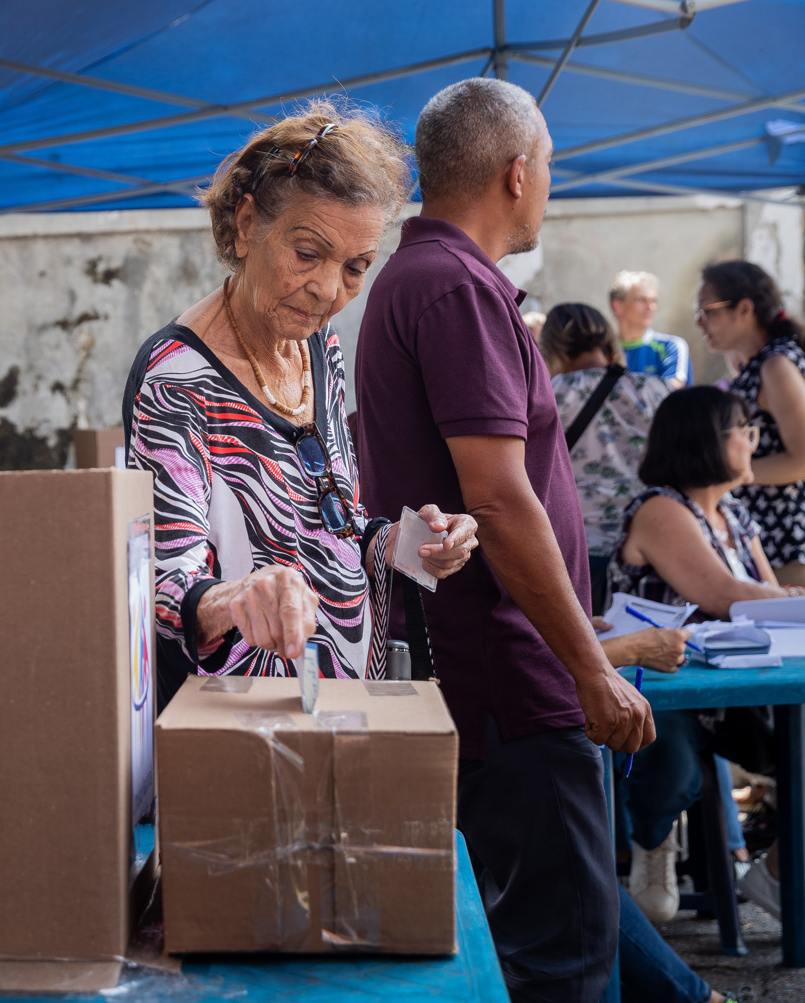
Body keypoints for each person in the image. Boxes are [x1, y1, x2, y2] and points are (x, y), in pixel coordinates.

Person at [354, 76, 652, 1003]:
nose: (551, 185)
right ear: (518, 172)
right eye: (551, 166)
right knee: (561, 963)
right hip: (510, 682)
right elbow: (500, 496)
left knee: (536, 946)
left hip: (487, 671)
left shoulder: (429, 280)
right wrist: (589, 667)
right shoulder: (455, 287)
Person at [123, 101, 479, 703]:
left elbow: (332, 520)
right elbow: (166, 593)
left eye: (355, 267)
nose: (326, 289)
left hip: (340, 702)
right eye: (307, 254)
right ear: (245, 224)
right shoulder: (176, 379)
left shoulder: (319, 348)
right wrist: (240, 597)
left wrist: (407, 543)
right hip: (242, 722)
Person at [609, 387, 805, 946]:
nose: (754, 439)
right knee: (674, 760)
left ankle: (780, 872)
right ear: (705, 438)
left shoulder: (736, 514)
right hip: (667, 690)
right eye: (744, 428)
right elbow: (727, 595)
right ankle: (652, 841)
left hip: (738, 697)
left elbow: (768, 600)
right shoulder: (660, 507)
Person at [694, 260, 805, 586]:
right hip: (776, 542)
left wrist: (725, 475)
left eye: (708, 311)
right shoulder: (759, 363)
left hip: (793, 542)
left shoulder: (776, 366)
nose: (700, 322)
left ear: (744, 309)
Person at [541, 303, 671, 612]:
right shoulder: (656, 390)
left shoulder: (547, 394)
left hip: (574, 552)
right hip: (652, 550)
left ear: (551, 347)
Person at [609, 270, 691, 389]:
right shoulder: (603, 351)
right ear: (617, 306)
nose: (650, 307)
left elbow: (672, 391)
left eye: (653, 301)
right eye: (641, 300)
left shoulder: (672, 346)